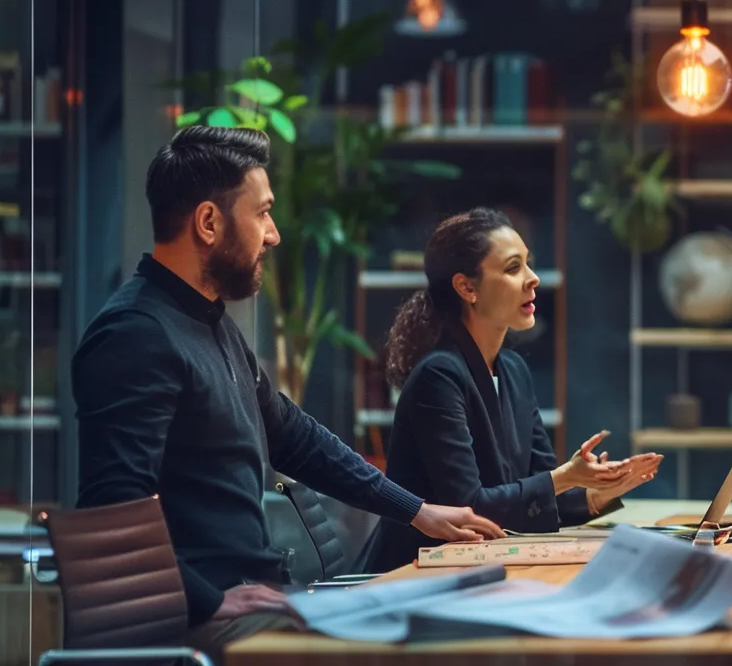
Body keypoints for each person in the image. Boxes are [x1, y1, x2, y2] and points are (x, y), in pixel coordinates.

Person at [73, 126, 503, 660]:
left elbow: (295, 437)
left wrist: (416, 510)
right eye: (263, 213)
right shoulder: (135, 336)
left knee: (454, 622)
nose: (273, 234)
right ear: (209, 222)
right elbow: (112, 511)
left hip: (253, 597)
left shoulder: (211, 325)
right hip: (191, 624)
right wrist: (208, 601)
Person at [360, 208, 664, 574]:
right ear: (467, 287)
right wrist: (566, 477)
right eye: (512, 268)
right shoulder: (438, 377)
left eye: (529, 264)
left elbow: (530, 498)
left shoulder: (515, 372)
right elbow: (469, 507)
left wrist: (598, 493)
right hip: (409, 576)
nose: (533, 279)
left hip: (478, 569)